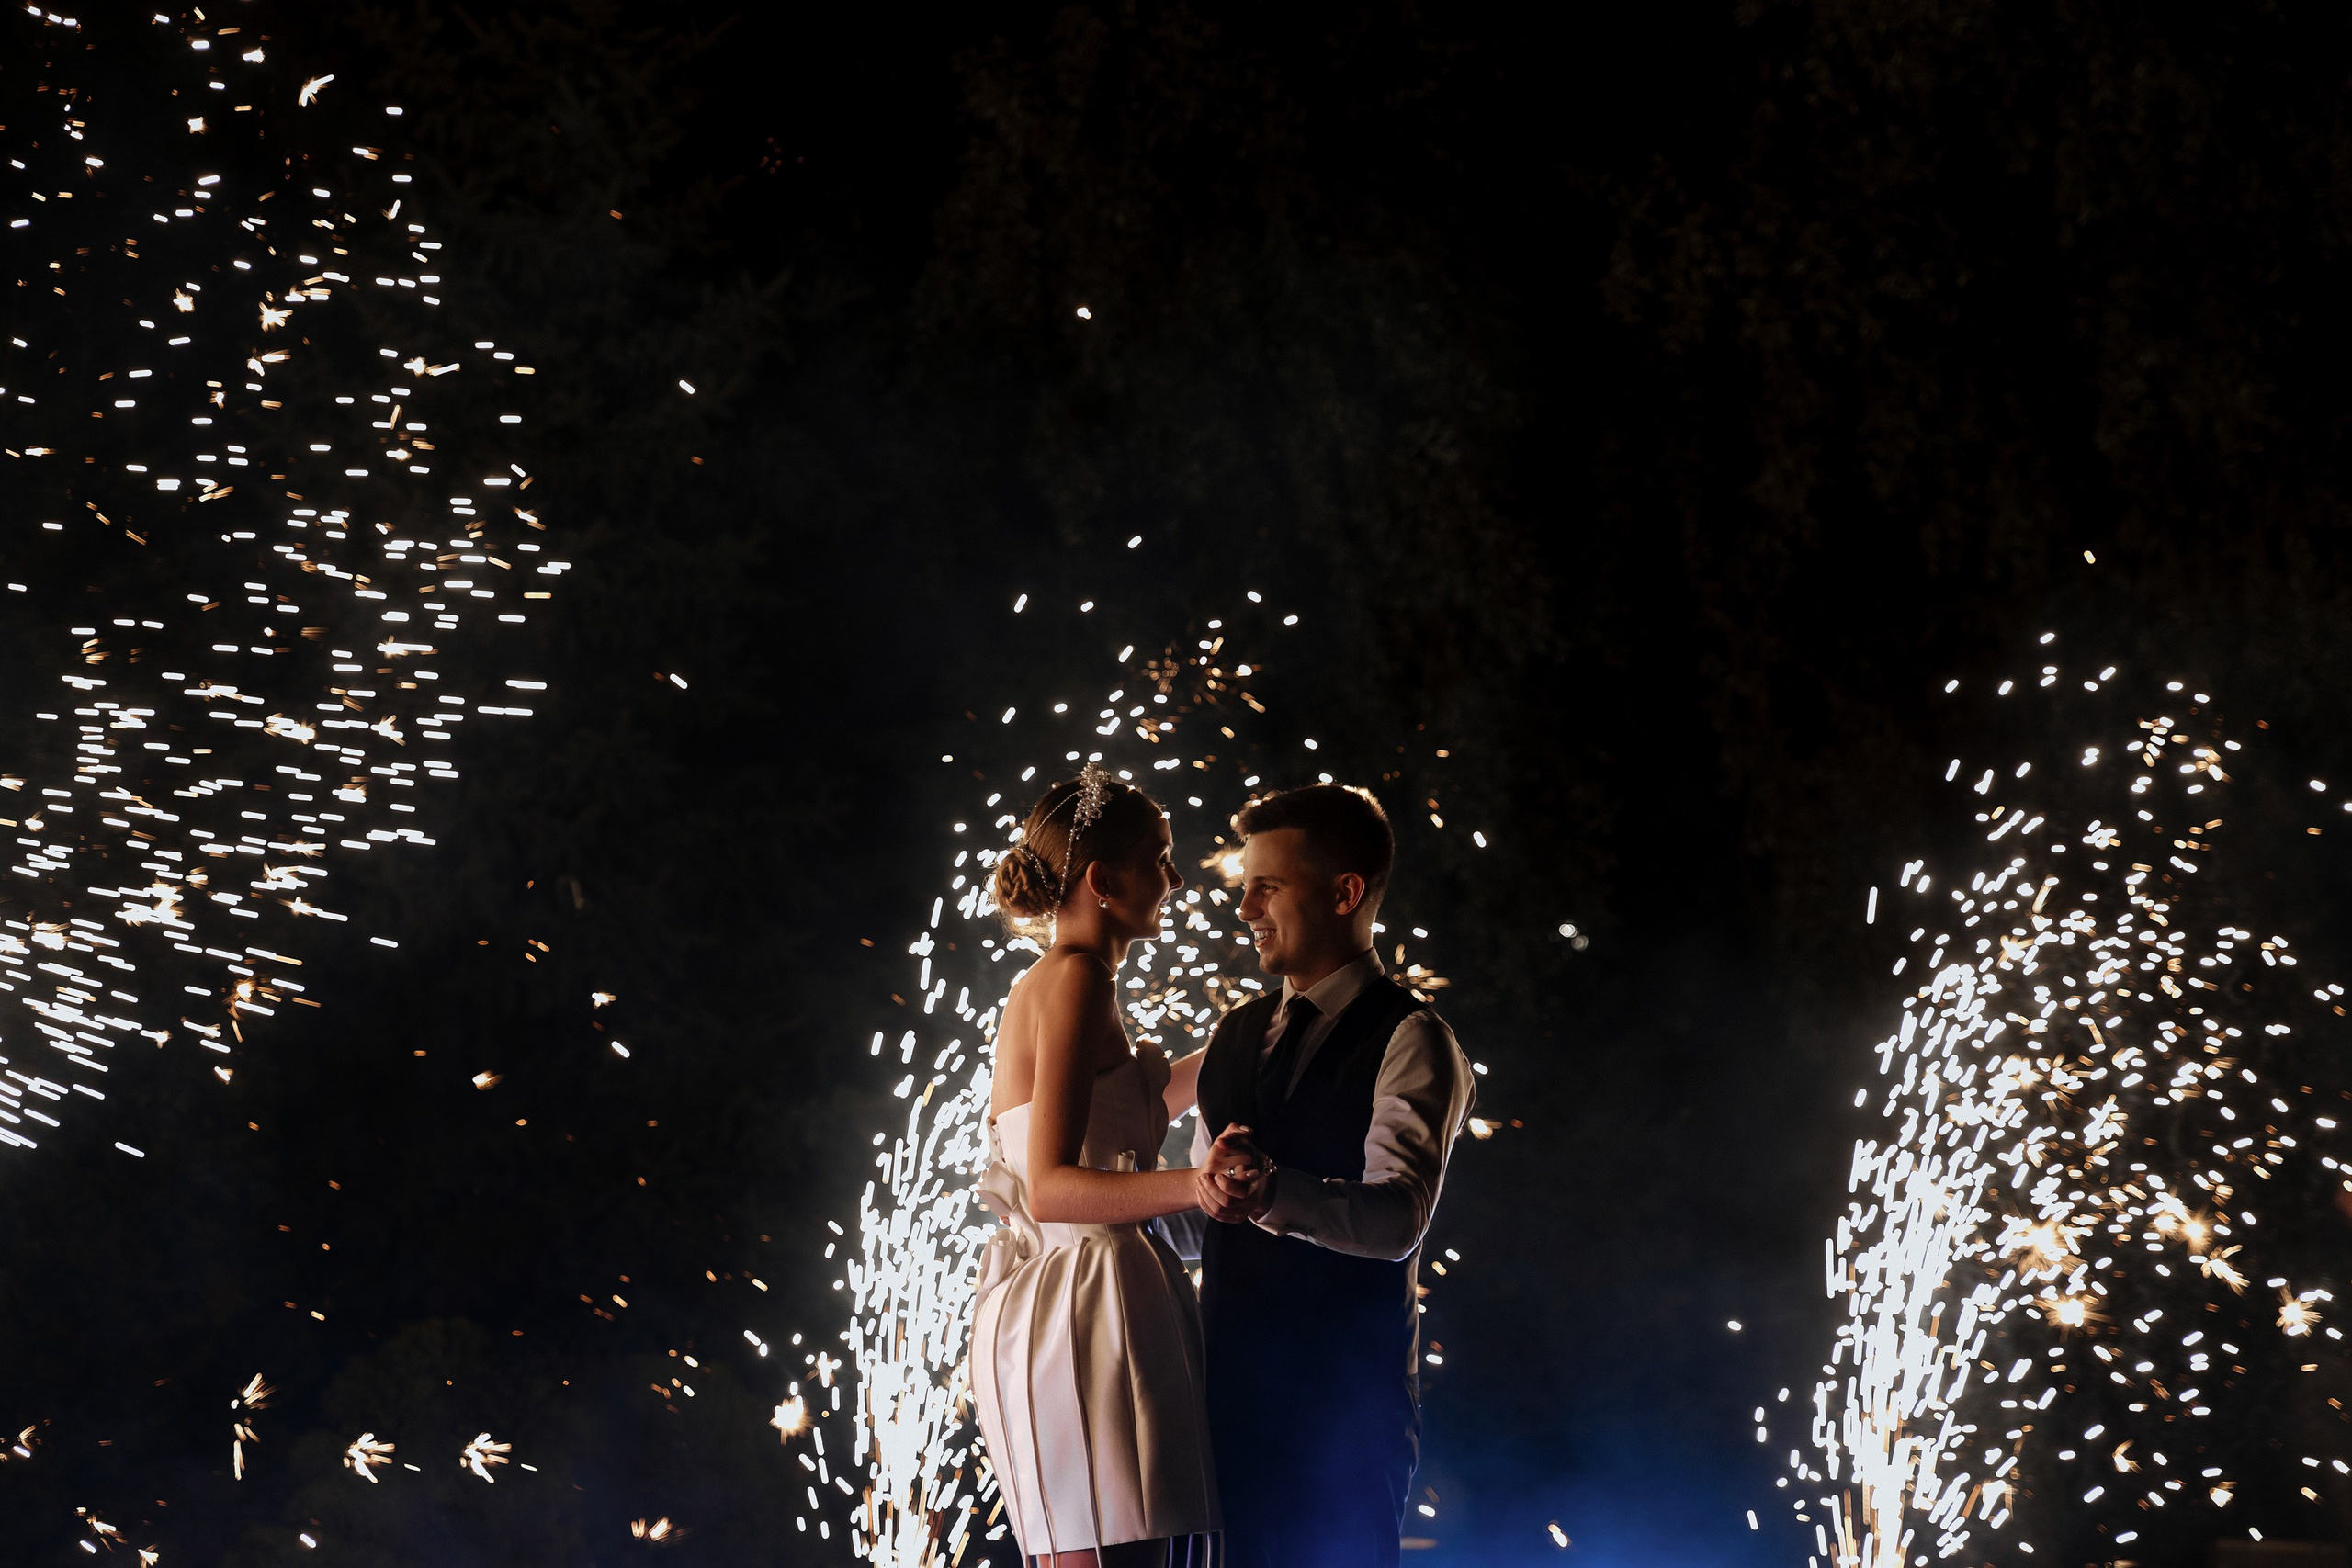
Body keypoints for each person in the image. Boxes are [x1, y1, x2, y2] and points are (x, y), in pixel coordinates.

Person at [970, 764, 1255, 1567]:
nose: (1173, 877)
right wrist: (1196, 1185)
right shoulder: (1077, 979)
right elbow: (1055, 1186)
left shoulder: (1069, 979)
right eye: (1158, 858)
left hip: (1089, 1296)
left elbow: (1129, 1114)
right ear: (1102, 879)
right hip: (1088, 1304)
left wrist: (1247, 1035)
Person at [1192, 784, 1476, 1568]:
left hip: (1342, 1417)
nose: (1244, 906)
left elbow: (1396, 1220)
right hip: (1220, 1401)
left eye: (1267, 886)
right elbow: (1200, 1207)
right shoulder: (1235, 1030)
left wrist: (1272, 1192)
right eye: (1245, 885)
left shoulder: (1415, 1037)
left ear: (1346, 892)